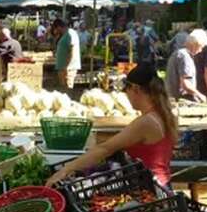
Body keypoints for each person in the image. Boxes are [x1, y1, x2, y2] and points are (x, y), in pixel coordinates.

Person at [47, 64, 178, 189]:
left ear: (135, 89)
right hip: (160, 182)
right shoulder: (162, 114)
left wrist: (65, 170)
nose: (127, 96)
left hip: (150, 188)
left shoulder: (147, 122)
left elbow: (105, 149)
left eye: (127, 90)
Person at [165, 29, 207, 102]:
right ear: (196, 44)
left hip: (172, 97)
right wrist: (200, 95)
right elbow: (185, 84)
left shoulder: (177, 53)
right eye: (201, 47)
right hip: (182, 100)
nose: (201, 50)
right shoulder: (185, 57)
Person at [55, 20, 81, 90]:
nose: (56, 31)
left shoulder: (70, 34)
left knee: (68, 88)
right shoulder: (65, 34)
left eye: (56, 29)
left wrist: (66, 66)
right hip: (63, 67)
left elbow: (72, 51)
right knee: (63, 88)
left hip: (68, 68)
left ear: (59, 27)